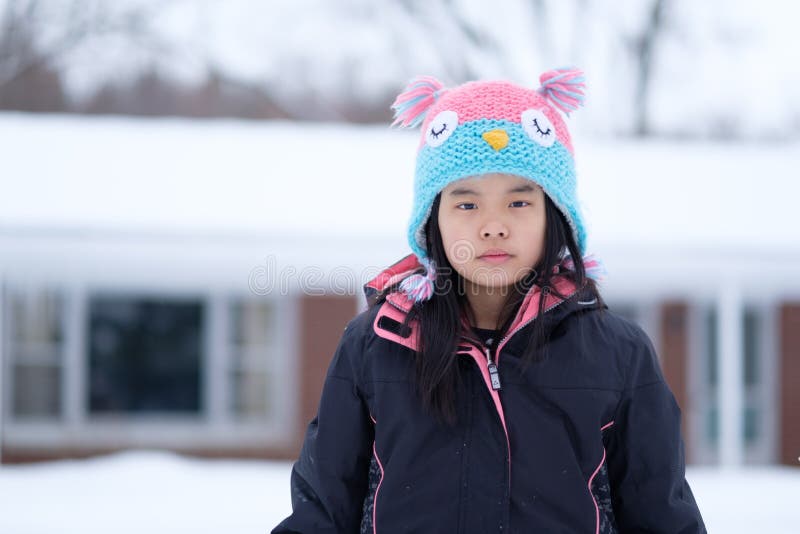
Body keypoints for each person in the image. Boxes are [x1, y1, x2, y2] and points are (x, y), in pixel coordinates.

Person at [272, 67, 706, 533]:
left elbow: (663, 516)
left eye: (519, 202)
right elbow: (321, 512)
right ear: (432, 219)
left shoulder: (619, 355)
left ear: (554, 215)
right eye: (467, 203)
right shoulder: (375, 345)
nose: (493, 225)